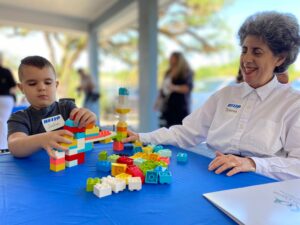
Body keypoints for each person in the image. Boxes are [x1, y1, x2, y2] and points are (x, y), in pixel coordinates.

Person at [124, 11, 300, 181]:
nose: (246, 59)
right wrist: (142, 137)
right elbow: (186, 133)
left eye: (257, 52)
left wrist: (252, 163)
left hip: (260, 187)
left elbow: (297, 165)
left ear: (280, 59)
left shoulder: (293, 104)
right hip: (212, 176)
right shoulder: (225, 95)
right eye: (244, 50)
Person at [7, 56, 97, 158]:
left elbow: (84, 123)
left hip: (69, 166)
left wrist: (89, 117)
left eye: (48, 82)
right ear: (21, 88)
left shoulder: (67, 107)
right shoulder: (19, 118)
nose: (41, 88)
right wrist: (42, 139)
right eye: (32, 83)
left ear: (56, 85)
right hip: (37, 171)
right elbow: (14, 146)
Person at [154, 52, 193, 128]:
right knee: (167, 129)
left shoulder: (185, 72)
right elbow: (163, 89)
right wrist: (158, 101)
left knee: (179, 130)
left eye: (173, 58)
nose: (171, 60)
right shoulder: (168, 72)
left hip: (180, 108)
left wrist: (174, 87)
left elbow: (187, 88)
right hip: (168, 108)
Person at [0, 52, 17, 150]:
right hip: (5, 99)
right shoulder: (6, 71)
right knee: (3, 122)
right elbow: (13, 86)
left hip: (5, 99)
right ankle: (3, 146)